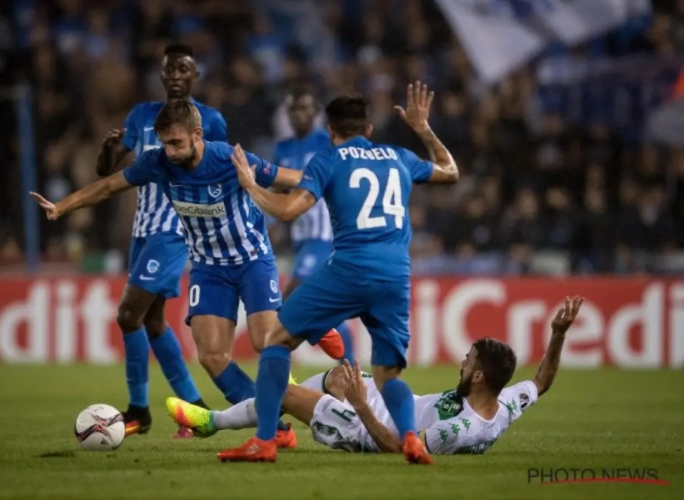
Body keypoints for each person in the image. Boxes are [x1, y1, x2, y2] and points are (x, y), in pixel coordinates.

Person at [30, 99, 345, 449]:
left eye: (176, 143)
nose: (169, 151)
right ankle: (277, 425)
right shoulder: (158, 162)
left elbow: (289, 179)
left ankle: (309, 322)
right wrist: (62, 206)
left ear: (198, 135)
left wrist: (335, 182)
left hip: (252, 260)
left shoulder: (228, 157)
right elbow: (107, 186)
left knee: (264, 343)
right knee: (211, 356)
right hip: (209, 268)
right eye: (164, 142)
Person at [218, 81, 460, 464]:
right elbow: (450, 171)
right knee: (388, 374)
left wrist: (250, 185)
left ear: (329, 131)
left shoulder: (327, 160)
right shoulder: (399, 156)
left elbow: (286, 211)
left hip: (349, 269)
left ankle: (265, 441)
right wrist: (423, 128)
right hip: (396, 275)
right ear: (369, 129)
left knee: (275, 341)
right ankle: (412, 438)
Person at [167, 296, 584, 456]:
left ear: (477, 378)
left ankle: (212, 422)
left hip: (372, 429)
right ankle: (281, 420)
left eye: (467, 360)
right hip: (389, 407)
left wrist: (363, 406)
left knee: (287, 396)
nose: (461, 361)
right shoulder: (507, 402)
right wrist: (558, 334)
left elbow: (398, 449)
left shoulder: (458, 429)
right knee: (336, 375)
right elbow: (542, 381)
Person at [93, 43, 227, 439]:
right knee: (152, 321)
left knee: (127, 315)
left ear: (195, 75)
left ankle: (139, 410)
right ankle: (197, 409)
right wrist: (107, 150)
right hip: (143, 228)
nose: (174, 76)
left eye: (183, 69)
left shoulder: (212, 119)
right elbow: (108, 171)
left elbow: (220, 170)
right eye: (168, 69)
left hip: (176, 229)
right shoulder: (141, 115)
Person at [272, 86, 355, 365]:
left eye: (306, 108)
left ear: (316, 113)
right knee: (318, 307)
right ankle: (350, 364)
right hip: (301, 239)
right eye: (295, 109)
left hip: (325, 237)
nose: (300, 114)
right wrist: (273, 220)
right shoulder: (282, 148)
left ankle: (279, 373)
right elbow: (279, 190)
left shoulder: (327, 144)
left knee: (291, 297)